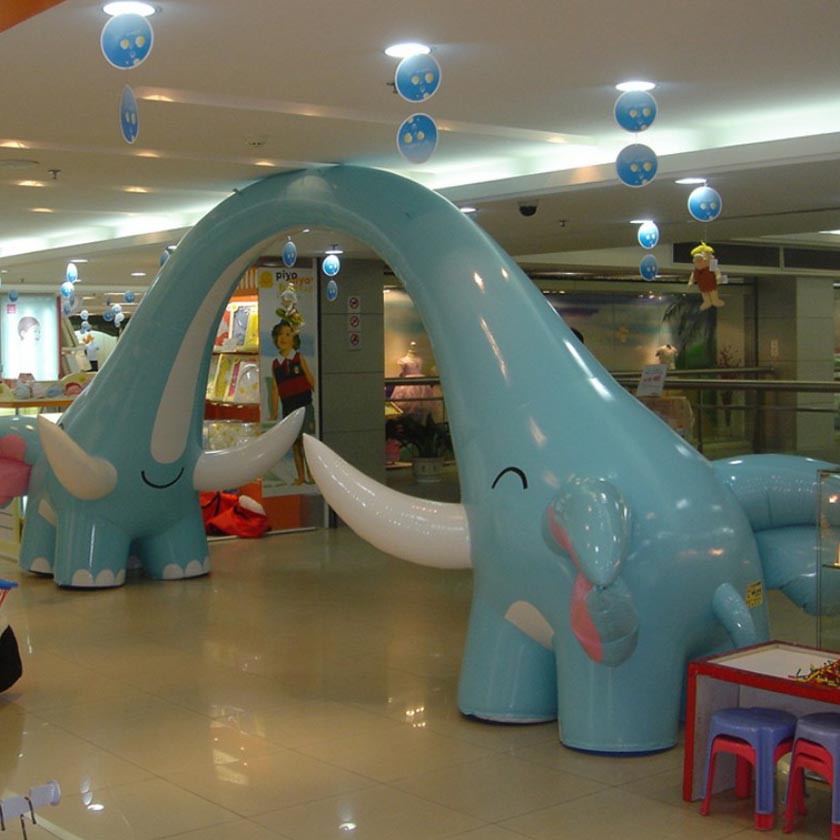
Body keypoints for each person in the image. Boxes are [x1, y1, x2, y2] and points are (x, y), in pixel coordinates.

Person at [269, 320, 315, 485]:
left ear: (294, 339)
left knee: (306, 442)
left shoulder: (298, 357)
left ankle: (311, 474)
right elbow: (275, 389)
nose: (283, 338)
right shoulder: (275, 364)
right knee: (295, 444)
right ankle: (301, 476)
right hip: (289, 408)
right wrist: (274, 412)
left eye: (288, 334)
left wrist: (316, 391)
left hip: (304, 405)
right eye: (280, 334)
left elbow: (309, 378)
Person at [687, 242, 724, 311]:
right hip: (702, 285)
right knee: (705, 294)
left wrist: (718, 277)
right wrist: (690, 282)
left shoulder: (712, 265)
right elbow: (693, 276)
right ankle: (707, 302)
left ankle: (715, 301)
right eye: (696, 261)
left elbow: (717, 271)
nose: (699, 263)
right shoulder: (696, 270)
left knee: (713, 293)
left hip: (711, 284)